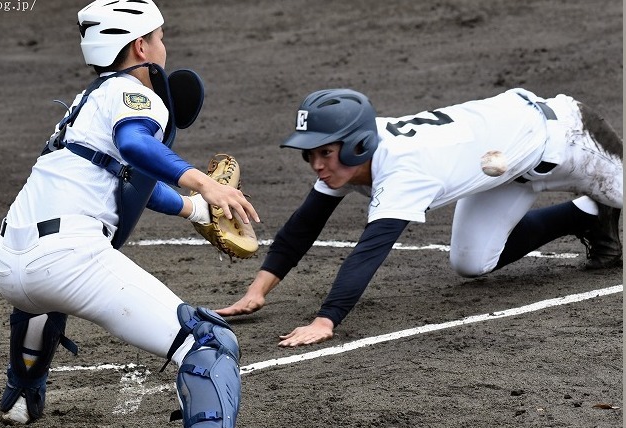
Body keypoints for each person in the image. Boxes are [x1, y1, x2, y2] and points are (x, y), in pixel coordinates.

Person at [0, 0, 287, 428]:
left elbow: (128, 180)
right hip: (69, 260)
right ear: (142, 48)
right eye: (160, 36)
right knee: (208, 340)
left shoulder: (85, 107)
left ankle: (21, 399)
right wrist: (203, 183)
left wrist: (194, 209)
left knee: (40, 302)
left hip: (11, 266)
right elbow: (135, 144)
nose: (163, 44)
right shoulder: (135, 94)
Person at [218, 87, 622, 347]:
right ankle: (587, 214)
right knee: (472, 262)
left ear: (358, 143)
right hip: (503, 164)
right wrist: (257, 292)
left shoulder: (403, 170)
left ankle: (604, 201)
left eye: (324, 152)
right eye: (311, 154)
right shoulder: (350, 154)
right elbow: (303, 227)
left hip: (569, 137)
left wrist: (326, 320)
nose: (317, 165)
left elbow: (369, 252)